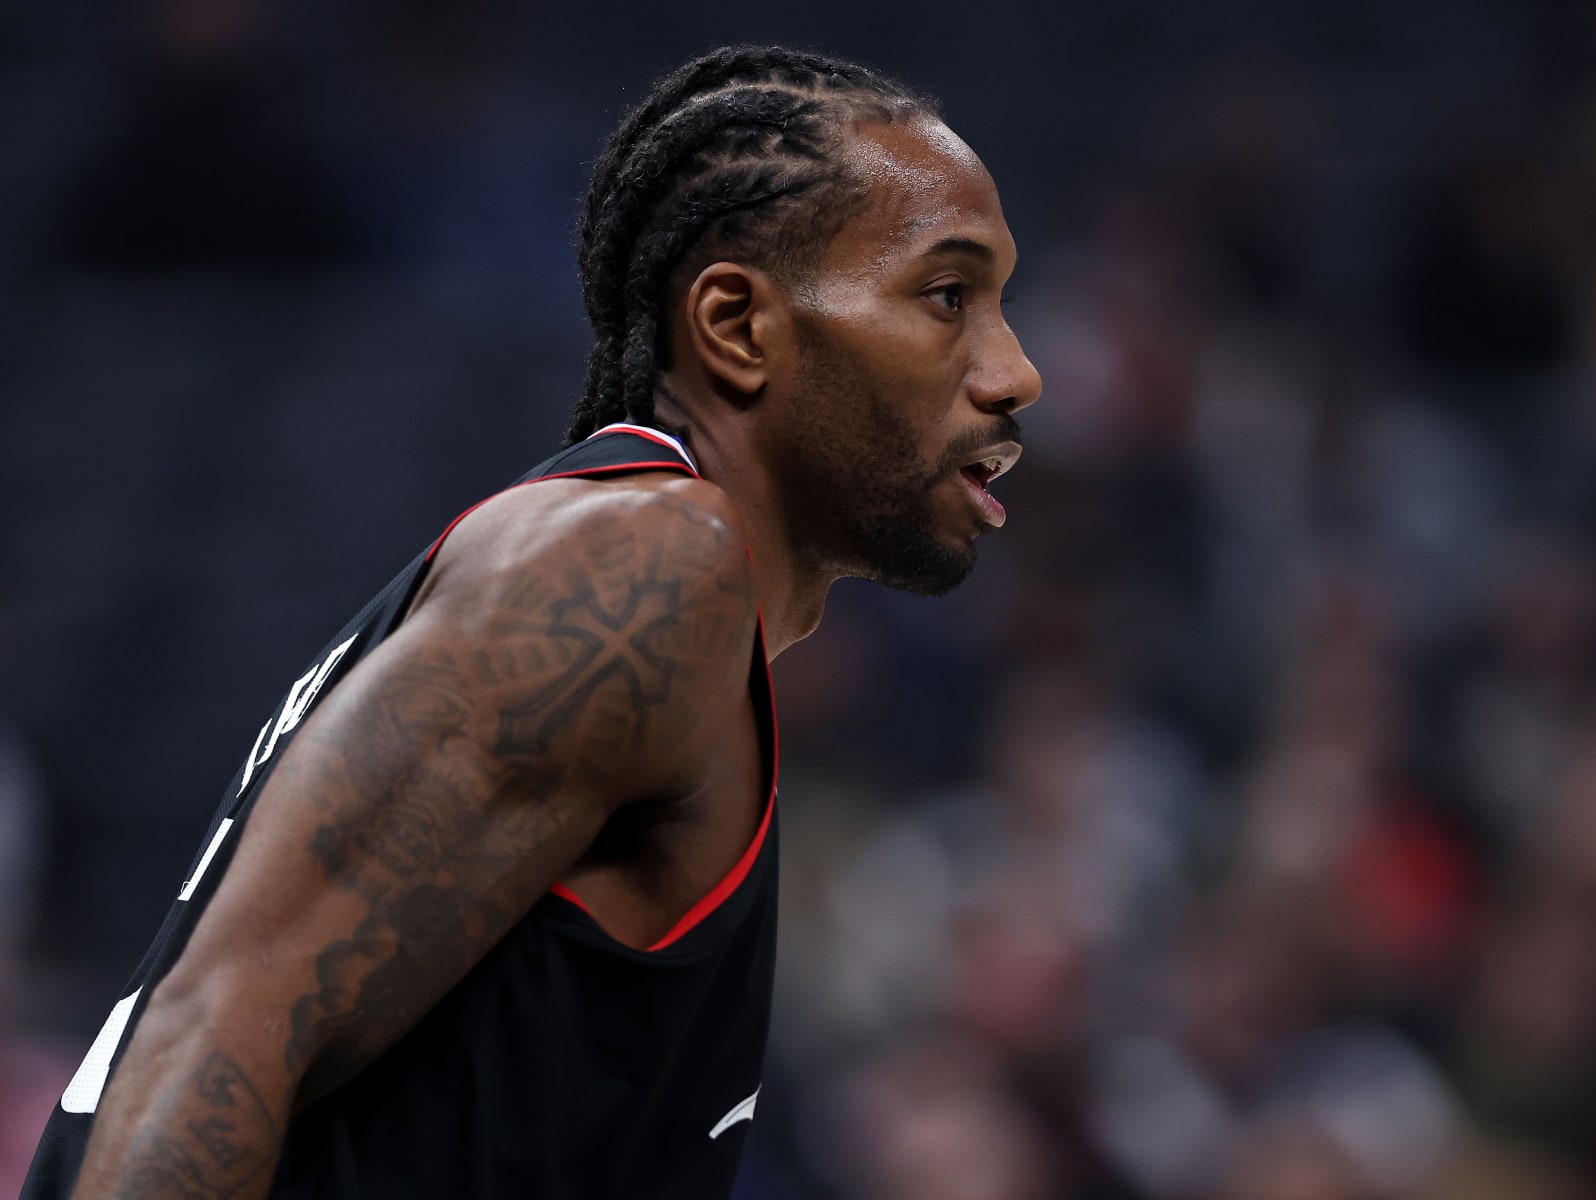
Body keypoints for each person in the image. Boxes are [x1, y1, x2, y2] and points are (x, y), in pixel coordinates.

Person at [25, 43, 1041, 1200]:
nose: (1016, 373)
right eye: (948, 296)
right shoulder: (648, 570)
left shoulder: (659, 615)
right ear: (736, 326)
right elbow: (215, 1036)